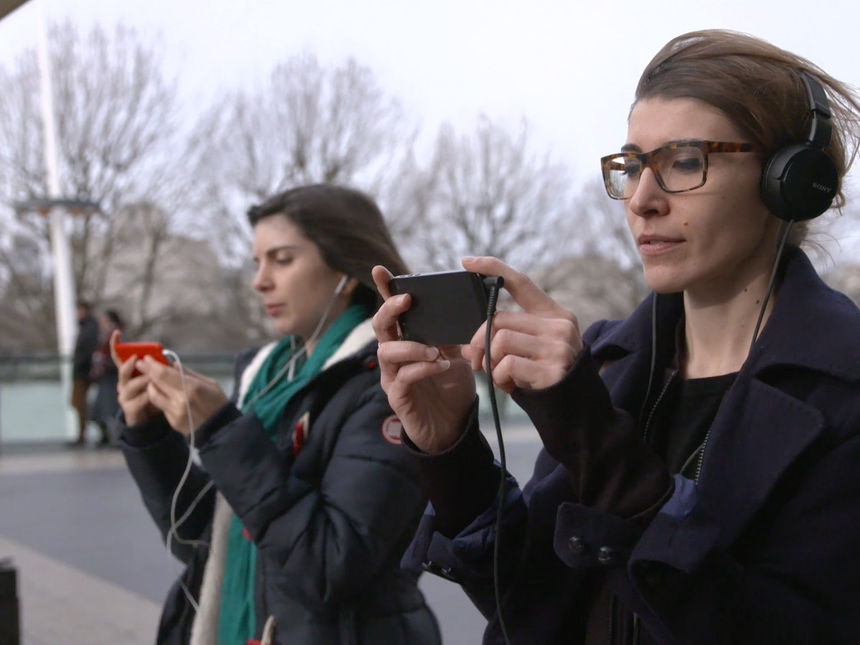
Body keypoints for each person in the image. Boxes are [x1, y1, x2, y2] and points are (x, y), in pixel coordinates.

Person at [372, 30, 860, 644]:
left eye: (685, 161)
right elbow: (530, 607)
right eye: (631, 166)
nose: (642, 199)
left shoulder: (843, 385)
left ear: (787, 180)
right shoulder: (606, 362)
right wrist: (452, 449)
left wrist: (590, 432)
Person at [113, 185, 441, 644]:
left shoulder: (394, 382)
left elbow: (332, 564)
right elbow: (208, 543)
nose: (260, 280)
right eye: (256, 263)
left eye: (282, 260)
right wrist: (148, 436)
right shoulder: (264, 378)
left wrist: (220, 429)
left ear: (345, 272)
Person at [89, 309, 124, 446]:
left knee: (111, 410)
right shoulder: (103, 336)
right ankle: (106, 437)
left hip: (112, 377)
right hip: (105, 378)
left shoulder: (116, 335)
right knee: (99, 411)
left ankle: (115, 438)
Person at [70, 300, 99, 447]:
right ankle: (82, 434)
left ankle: (82, 435)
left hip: (83, 372)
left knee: (80, 404)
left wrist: (81, 365)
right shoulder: (87, 327)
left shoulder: (90, 328)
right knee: (78, 403)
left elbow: (87, 352)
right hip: (81, 371)